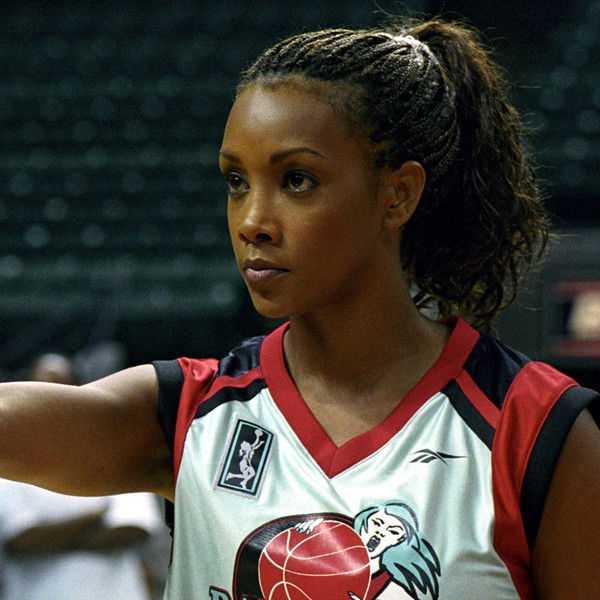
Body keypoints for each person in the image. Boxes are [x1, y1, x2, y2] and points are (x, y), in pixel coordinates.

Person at [0, 17, 598, 600]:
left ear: (398, 195)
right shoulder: (189, 414)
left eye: (297, 180)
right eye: (237, 182)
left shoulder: (536, 429)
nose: (253, 221)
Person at [0, 354, 167, 600]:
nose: (47, 395)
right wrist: (93, 517)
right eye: (40, 386)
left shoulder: (117, 448)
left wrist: (52, 538)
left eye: (59, 386)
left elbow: (134, 530)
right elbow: (21, 541)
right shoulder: (9, 464)